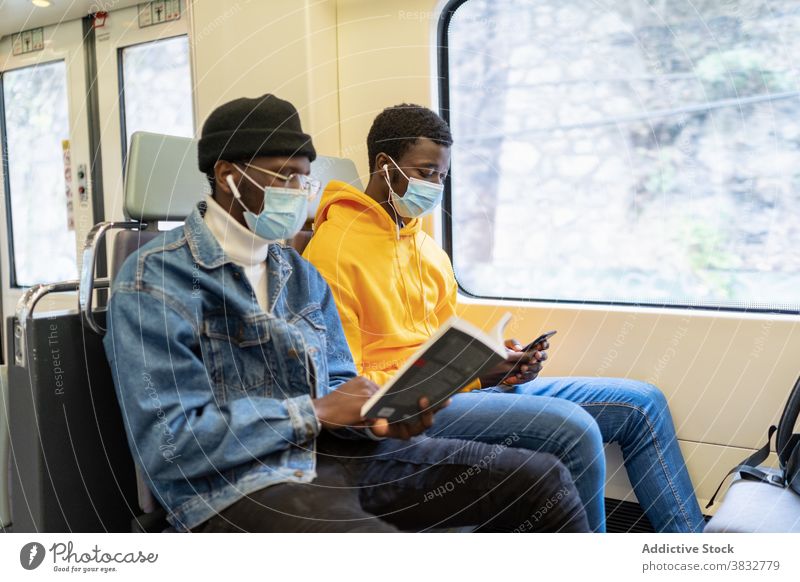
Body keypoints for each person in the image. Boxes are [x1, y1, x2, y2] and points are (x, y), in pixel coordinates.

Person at [102, 94, 589, 533]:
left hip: (339, 456)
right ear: (230, 176)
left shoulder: (297, 273)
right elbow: (172, 443)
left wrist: (381, 414)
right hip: (233, 487)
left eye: (302, 177)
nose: (297, 191)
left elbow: (340, 382)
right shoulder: (153, 281)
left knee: (538, 478)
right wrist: (312, 412)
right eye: (282, 176)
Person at [302, 103, 706, 533]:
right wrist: (474, 376)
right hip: (416, 407)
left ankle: (692, 550)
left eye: (442, 176)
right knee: (575, 431)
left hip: (457, 387)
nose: (435, 187)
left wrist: (497, 365)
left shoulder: (426, 249)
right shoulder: (333, 253)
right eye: (426, 173)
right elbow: (350, 386)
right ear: (385, 166)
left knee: (641, 404)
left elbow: (442, 339)